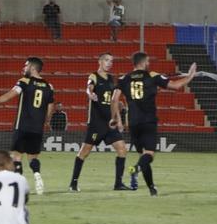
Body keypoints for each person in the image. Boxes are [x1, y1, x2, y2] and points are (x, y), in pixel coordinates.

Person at [110, 52, 197, 196]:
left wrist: (115, 118)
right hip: (148, 121)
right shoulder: (152, 75)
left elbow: (114, 100)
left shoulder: (123, 79)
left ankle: (152, 188)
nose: (149, 64)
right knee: (149, 155)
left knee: (143, 155)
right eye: (148, 61)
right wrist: (190, 76)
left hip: (133, 123)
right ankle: (137, 169)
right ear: (143, 63)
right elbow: (175, 86)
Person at [0, 57, 55, 195]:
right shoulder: (48, 86)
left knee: (17, 157)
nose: (23, 68)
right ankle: (37, 176)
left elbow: (9, 95)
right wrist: (46, 121)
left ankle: (20, 186)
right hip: (37, 128)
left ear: (32, 68)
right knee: (33, 158)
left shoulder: (24, 81)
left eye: (26, 65)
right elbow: (51, 106)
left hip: (22, 125)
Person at [70, 53, 130, 192]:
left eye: (111, 61)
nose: (110, 63)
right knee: (84, 152)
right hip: (96, 123)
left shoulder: (111, 79)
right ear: (100, 61)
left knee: (122, 149)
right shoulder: (93, 76)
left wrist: (118, 120)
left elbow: (115, 102)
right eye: (107, 60)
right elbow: (89, 87)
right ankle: (73, 183)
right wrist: (90, 94)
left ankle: (118, 184)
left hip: (110, 123)